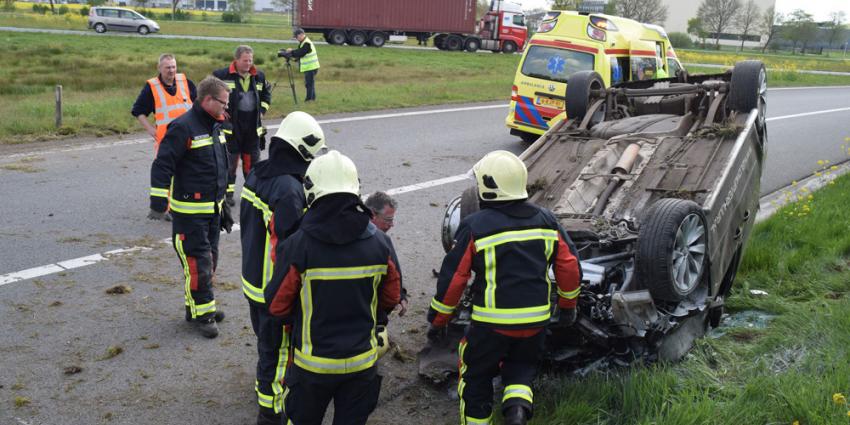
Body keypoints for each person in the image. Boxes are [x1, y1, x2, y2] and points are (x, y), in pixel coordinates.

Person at [426, 151, 582, 425]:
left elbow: (454, 281)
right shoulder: (547, 220)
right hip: (535, 321)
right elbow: (569, 268)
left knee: (476, 377)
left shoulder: (475, 226)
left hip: (491, 324)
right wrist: (568, 307)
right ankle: (517, 413)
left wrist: (438, 321)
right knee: (521, 369)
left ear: (487, 185)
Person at [265, 150, 402, 425]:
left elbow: (276, 305)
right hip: (362, 362)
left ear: (312, 190)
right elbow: (391, 297)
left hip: (312, 366)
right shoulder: (380, 243)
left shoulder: (298, 245)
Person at [239, 111, 326, 425]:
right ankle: (271, 409)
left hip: (252, 277)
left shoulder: (259, 172)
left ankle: (266, 387)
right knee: (278, 349)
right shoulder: (289, 189)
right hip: (272, 285)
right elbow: (288, 245)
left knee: (266, 343)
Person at [149, 76, 234, 339]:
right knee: (198, 264)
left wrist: (224, 207)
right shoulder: (183, 128)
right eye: (223, 103)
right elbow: (163, 164)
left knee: (211, 261)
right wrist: (158, 202)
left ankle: (196, 307)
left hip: (211, 210)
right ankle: (205, 313)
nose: (226, 108)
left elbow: (218, 168)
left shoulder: (215, 126)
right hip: (190, 214)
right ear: (207, 100)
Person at [213, 45, 272, 207]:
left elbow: (267, 94)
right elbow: (210, 95)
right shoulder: (221, 76)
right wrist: (220, 112)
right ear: (236, 60)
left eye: (251, 60)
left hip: (252, 127)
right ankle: (228, 193)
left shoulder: (259, 76)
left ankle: (251, 192)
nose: (248, 64)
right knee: (230, 163)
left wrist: (262, 111)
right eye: (245, 60)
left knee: (252, 163)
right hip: (232, 127)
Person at [131, 53, 196, 155]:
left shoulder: (186, 82)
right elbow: (137, 110)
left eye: (173, 67)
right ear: (159, 68)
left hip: (189, 139)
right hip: (167, 141)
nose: (171, 70)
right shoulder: (152, 87)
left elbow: (199, 106)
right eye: (168, 67)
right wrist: (150, 129)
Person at [364, 191, 408, 316]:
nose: (392, 224)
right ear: (372, 215)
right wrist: (398, 297)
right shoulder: (382, 240)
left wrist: (401, 295)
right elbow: (393, 277)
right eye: (388, 220)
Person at [285, 28, 320, 102]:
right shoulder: (303, 42)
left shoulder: (306, 43)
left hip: (311, 67)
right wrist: (295, 58)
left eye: (296, 37)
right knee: (310, 83)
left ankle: (308, 100)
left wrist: (291, 52)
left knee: (309, 84)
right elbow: (301, 54)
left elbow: (301, 52)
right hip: (311, 67)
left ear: (301, 35)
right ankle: (312, 99)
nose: (296, 39)